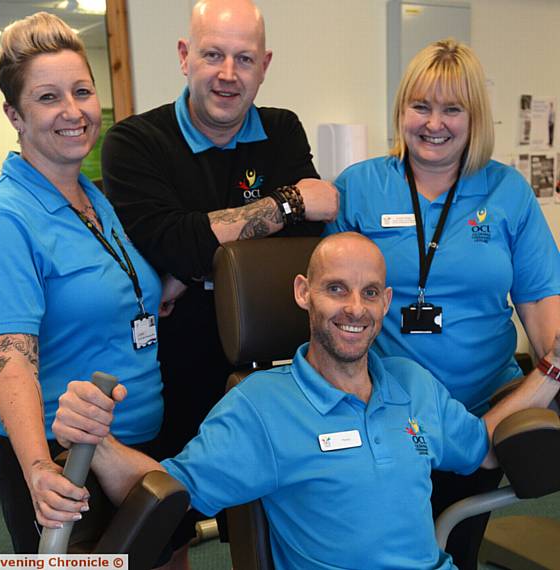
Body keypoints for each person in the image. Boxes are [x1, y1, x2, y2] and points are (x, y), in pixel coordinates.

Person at [50, 233, 560, 570]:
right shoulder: (259, 407)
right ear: (303, 292)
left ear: (386, 301)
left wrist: (553, 366)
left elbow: (484, 448)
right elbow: (164, 491)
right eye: (336, 289)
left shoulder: (412, 382)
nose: (354, 309)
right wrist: (98, 440)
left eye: (369, 292)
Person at [325, 39, 560, 568]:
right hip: (384, 407)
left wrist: (554, 365)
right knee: (390, 543)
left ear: (474, 117)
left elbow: (543, 301)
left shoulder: (507, 192)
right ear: (401, 110)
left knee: (460, 540)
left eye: (452, 109)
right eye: (421, 106)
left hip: (488, 403)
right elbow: (328, 301)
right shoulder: (361, 188)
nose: (435, 123)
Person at [0, 13, 169, 557]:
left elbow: (122, 296)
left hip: (132, 442)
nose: (73, 112)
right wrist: (40, 471)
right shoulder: (3, 216)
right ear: (14, 115)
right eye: (48, 98)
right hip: (62, 456)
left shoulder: (95, 200)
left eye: (82, 91)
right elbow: (11, 357)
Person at [101, 0, 338, 459]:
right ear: (184, 55)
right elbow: (171, 239)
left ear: (263, 66)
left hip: (270, 371)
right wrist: (289, 202)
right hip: (168, 376)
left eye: (244, 58)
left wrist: (186, 271)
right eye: (213, 55)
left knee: (263, 519)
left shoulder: (282, 129)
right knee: (173, 512)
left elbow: (300, 249)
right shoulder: (134, 142)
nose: (228, 74)